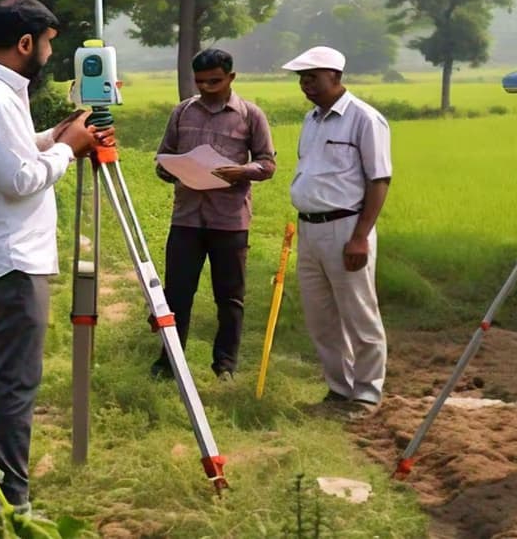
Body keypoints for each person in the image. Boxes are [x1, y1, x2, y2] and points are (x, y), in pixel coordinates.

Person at [0, 0, 111, 514]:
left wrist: (56, 134)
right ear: (26, 42)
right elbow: (18, 178)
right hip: (11, 265)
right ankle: (13, 503)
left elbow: (6, 151)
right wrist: (69, 148)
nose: (52, 55)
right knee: (14, 388)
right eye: (50, 44)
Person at [150, 48, 276, 381]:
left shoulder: (250, 115)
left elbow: (267, 164)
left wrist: (241, 171)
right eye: (201, 81)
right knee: (176, 295)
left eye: (215, 81)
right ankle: (169, 362)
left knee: (230, 297)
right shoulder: (182, 113)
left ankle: (225, 366)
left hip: (230, 220)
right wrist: (171, 169)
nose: (207, 87)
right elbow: (164, 156)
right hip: (187, 218)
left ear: (231, 77)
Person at [281, 46, 391, 418]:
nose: (305, 85)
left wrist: (360, 236)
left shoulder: (364, 119)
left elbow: (379, 180)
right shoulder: (312, 120)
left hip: (346, 227)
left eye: (312, 77)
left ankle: (367, 393)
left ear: (336, 77)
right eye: (302, 79)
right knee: (321, 316)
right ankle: (338, 388)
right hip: (310, 230)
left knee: (359, 314)